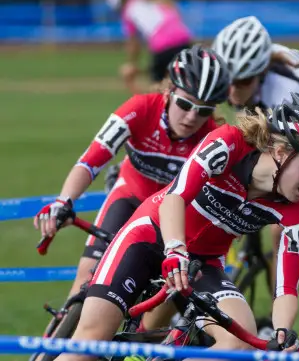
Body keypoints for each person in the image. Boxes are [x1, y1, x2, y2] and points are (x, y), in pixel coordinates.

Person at [52, 93, 299, 361]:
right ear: (281, 152)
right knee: (91, 342)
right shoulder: (230, 143)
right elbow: (175, 197)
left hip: (204, 263)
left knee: (239, 344)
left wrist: (282, 330)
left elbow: (286, 286)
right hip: (151, 235)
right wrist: (176, 249)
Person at [33, 45, 231, 334]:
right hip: (128, 199)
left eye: (203, 111)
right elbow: (90, 162)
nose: (191, 117)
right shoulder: (139, 108)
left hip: (168, 221)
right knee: (82, 284)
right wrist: (64, 201)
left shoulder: (214, 138)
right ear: (168, 92)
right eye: (185, 104)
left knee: (165, 300)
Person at [212, 16, 299, 312]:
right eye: (228, 82)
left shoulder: (283, 90)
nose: (233, 92)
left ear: (260, 73)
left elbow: (276, 152)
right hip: (270, 106)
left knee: (279, 223)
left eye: (243, 82)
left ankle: (280, 311)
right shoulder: (246, 71)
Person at [105, 0, 193, 94]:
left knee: (157, 92)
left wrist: (131, 64)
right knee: (187, 84)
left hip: (163, 47)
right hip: (183, 40)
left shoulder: (128, 10)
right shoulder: (153, 0)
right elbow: (174, 7)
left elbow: (133, 43)